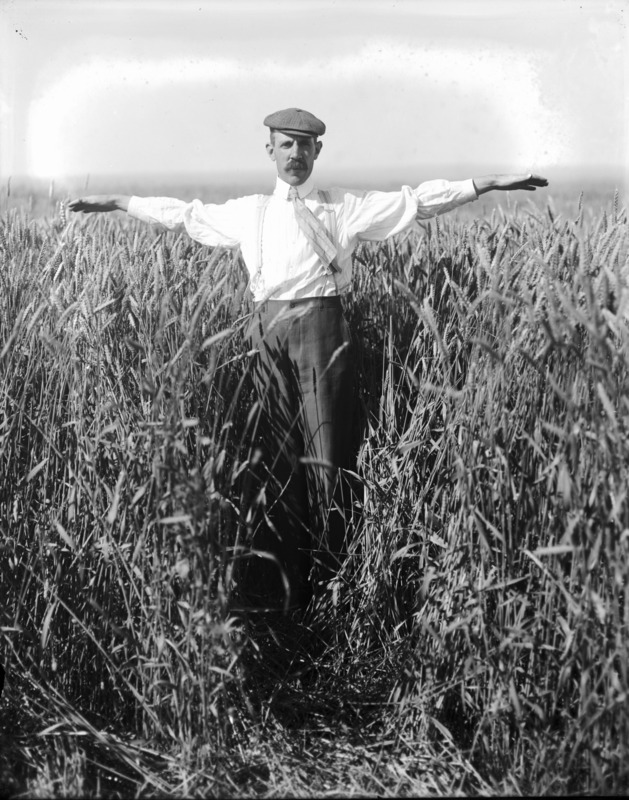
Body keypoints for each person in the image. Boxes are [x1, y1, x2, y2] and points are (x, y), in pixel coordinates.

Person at [68, 107, 548, 616]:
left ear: (318, 150)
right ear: (270, 150)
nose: (295, 153)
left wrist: (485, 184)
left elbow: (416, 201)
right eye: (286, 144)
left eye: (304, 145)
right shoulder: (250, 212)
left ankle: (334, 589)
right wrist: (120, 202)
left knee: (329, 455)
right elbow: (185, 215)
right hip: (267, 336)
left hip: (325, 333)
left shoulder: (344, 207)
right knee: (277, 459)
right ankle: (286, 595)